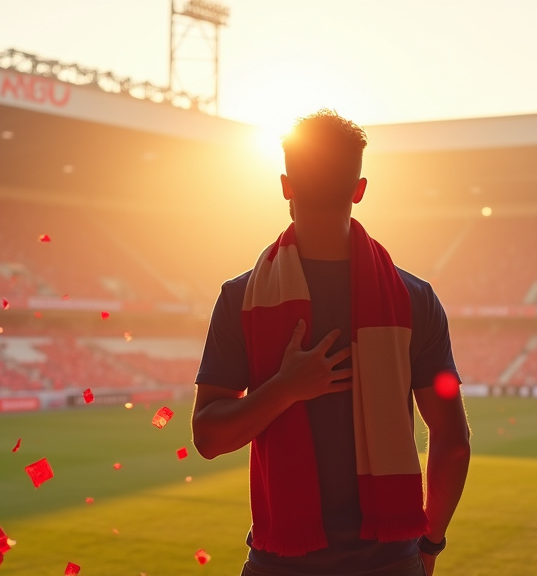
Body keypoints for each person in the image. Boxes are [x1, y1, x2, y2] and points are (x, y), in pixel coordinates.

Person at [193, 109, 471, 576]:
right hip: (391, 563)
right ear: (359, 190)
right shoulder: (414, 298)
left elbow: (208, 438)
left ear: (286, 185)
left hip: (279, 565)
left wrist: (281, 388)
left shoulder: (241, 297)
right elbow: (453, 441)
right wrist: (430, 544)